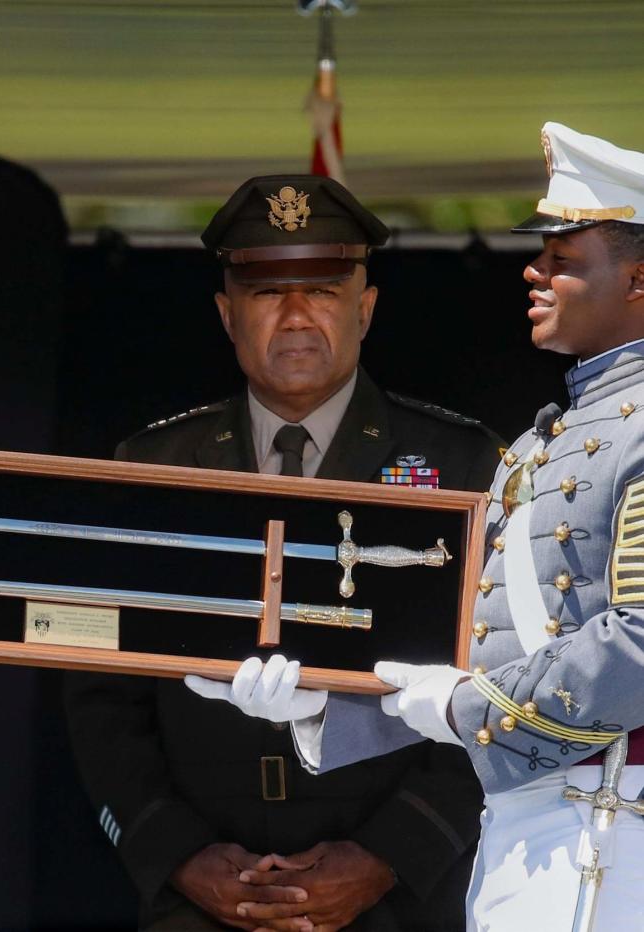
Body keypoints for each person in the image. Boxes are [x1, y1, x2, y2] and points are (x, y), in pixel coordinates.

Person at [199, 125, 644, 930]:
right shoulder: (546, 437)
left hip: (617, 829)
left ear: (640, 278)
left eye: (565, 258)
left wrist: (465, 708)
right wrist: (318, 707)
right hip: (532, 830)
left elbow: (640, 643)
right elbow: (485, 647)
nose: (534, 270)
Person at [65, 175, 502, 931]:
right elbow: (104, 695)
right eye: (268, 294)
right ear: (226, 315)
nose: (296, 316)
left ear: (364, 310)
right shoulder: (153, 465)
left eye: (323, 290)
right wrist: (176, 854)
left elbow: (501, 684)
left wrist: (392, 855)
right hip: (201, 897)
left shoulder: (461, 464)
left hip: (401, 899)